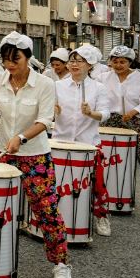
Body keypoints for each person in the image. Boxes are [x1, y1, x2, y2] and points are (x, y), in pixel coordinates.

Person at [0, 31, 72, 278]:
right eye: (6, 59)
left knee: (47, 210)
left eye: (16, 59)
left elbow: (45, 120)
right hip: (1, 152)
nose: (10, 64)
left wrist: (20, 138)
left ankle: (61, 264)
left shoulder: (44, 83)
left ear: (29, 58)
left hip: (34, 156)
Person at [53, 46, 113, 236]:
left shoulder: (98, 87)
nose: (74, 64)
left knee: (97, 183)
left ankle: (101, 216)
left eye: (79, 60)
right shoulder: (58, 86)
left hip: (88, 143)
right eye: (72, 60)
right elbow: (46, 110)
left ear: (90, 64)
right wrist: (52, 111)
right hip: (61, 141)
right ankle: (54, 219)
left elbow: (105, 113)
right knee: (56, 182)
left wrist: (91, 113)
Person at [97, 45, 140, 200]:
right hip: (110, 119)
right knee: (103, 155)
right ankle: (100, 192)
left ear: (130, 62)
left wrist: (132, 112)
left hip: (135, 119)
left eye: (122, 62)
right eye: (115, 61)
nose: (118, 65)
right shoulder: (103, 78)